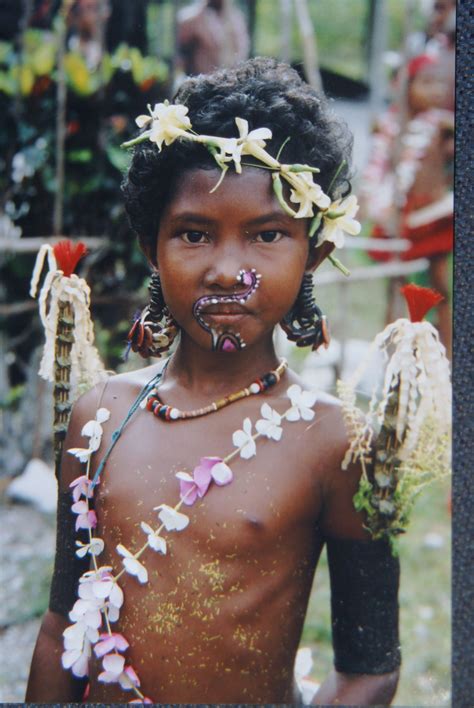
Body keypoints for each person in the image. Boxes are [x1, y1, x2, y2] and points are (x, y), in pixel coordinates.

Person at [26, 58, 401, 704]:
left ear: (314, 251)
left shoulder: (338, 444)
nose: (229, 270)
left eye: (266, 236)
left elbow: (370, 669)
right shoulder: (98, 418)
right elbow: (63, 625)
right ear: (152, 245)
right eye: (194, 234)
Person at [360, 53, 454, 357]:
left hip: (432, 214)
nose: (436, 91)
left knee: (441, 286)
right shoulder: (391, 124)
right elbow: (377, 167)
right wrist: (370, 201)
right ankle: (396, 350)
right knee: (397, 286)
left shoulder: (442, 125)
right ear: (407, 86)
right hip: (399, 214)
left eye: (441, 84)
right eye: (427, 83)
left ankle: (449, 351)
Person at [177, 0, 249, 77]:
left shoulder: (237, 20)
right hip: (203, 82)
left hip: (232, 83)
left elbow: (241, 52)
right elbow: (181, 57)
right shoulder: (191, 19)